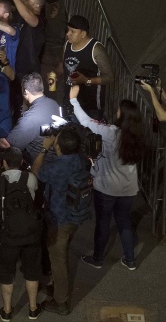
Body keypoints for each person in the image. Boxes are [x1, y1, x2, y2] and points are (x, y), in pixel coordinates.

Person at [70, 85, 144, 270]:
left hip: (106, 188)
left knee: (103, 223)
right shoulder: (137, 137)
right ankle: (130, 260)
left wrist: (73, 100)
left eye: (119, 110)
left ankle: (97, 259)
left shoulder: (110, 132)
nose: (116, 111)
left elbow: (85, 121)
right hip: (128, 189)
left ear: (122, 115)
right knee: (124, 222)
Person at [31, 128, 91, 316]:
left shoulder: (59, 166)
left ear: (58, 146)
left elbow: (36, 172)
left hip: (60, 219)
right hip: (76, 215)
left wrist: (43, 149)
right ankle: (57, 288)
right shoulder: (80, 159)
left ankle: (61, 302)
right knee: (62, 254)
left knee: (58, 260)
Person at [0, 147, 42, 321]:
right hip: (30, 234)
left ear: (3, 163)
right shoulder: (31, 178)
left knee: (6, 273)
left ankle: (6, 310)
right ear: (21, 162)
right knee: (32, 271)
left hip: (8, 235)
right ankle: (33, 308)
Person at [0, 72, 59, 164]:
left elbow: (6, 145)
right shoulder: (54, 104)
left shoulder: (29, 120)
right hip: (56, 157)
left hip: (39, 165)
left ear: (25, 91)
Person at [63, 15, 114, 121]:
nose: (68, 34)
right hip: (70, 101)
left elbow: (109, 77)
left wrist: (86, 80)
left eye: (73, 31)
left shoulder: (96, 49)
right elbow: (65, 66)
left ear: (83, 34)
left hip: (90, 107)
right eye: (68, 30)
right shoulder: (67, 45)